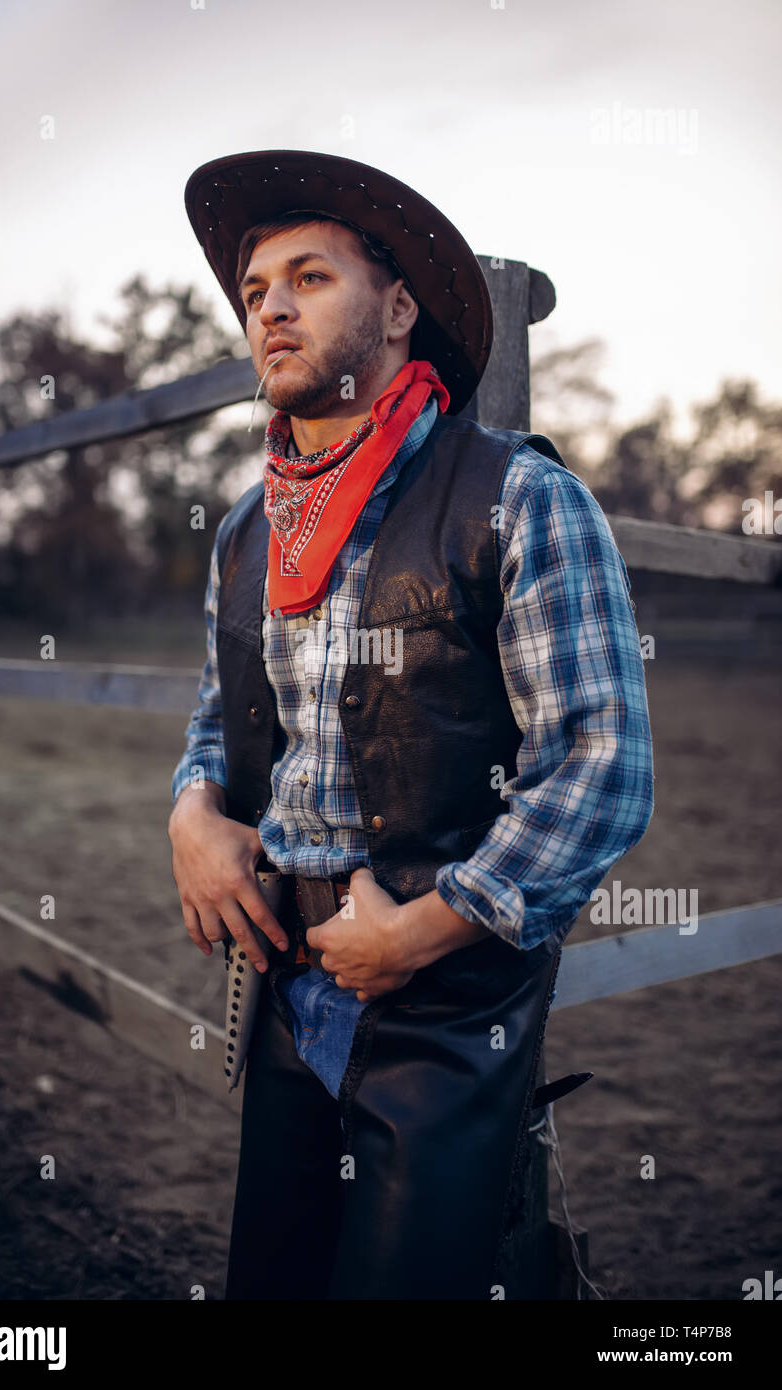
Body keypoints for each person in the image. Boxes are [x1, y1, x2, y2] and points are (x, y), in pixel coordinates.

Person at [168, 149, 654, 1300]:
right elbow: (220, 715)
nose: (272, 307)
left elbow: (601, 762)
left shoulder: (519, 496)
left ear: (398, 310)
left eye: (308, 277)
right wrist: (191, 807)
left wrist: (430, 930)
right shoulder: (248, 529)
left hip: (447, 1000)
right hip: (286, 978)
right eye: (252, 291)